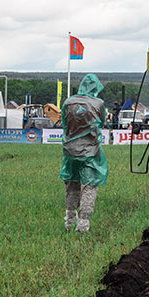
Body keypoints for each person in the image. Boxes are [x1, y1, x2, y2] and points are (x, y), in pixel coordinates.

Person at [59, 74, 108, 233]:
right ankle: (83, 223)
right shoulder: (98, 103)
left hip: (70, 150)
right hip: (90, 151)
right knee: (89, 185)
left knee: (72, 183)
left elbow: (65, 124)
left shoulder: (68, 102)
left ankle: (69, 220)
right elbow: (102, 121)